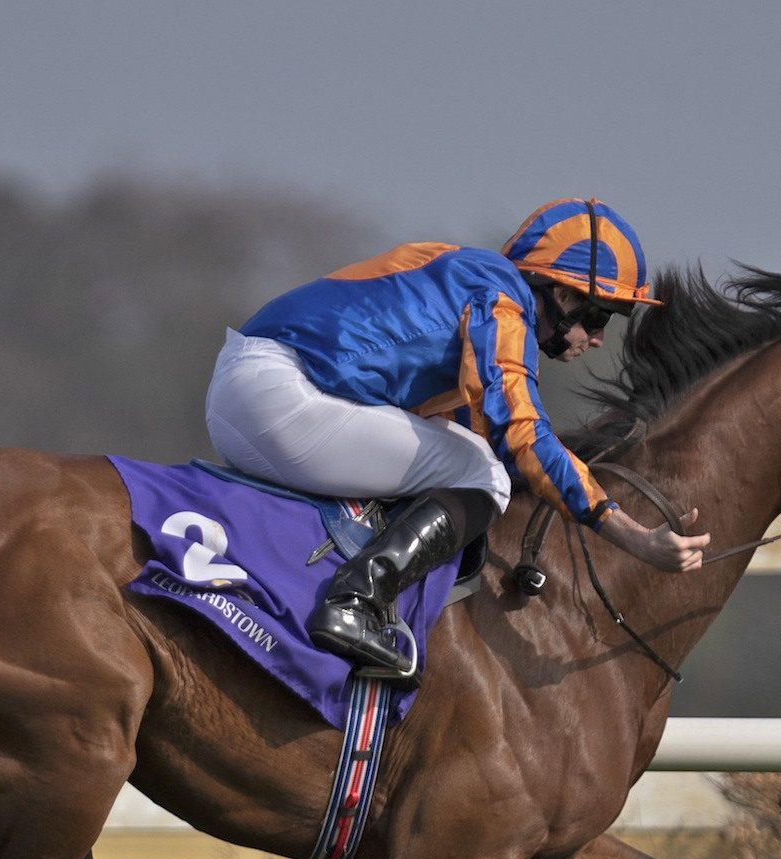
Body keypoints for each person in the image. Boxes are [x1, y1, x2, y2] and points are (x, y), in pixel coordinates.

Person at [204, 197, 709, 683]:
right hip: (278, 395)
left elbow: (479, 422)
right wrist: (629, 533)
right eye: (599, 317)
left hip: (247, 382)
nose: (597, 339)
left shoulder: (465, 270)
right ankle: (355, 602)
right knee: (482, 474)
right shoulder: (502, 304)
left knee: (472, 455)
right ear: (563, 294)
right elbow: (521, 434)